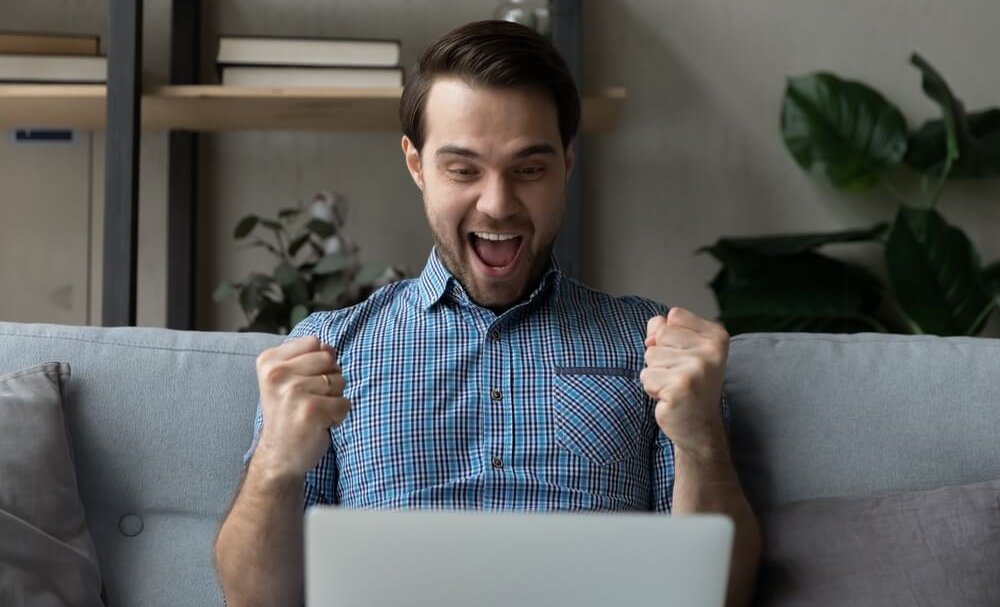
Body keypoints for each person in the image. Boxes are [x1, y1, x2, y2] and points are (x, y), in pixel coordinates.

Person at [214, 19, 761, 607]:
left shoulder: (654, 347)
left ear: (567, 164)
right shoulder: (328, 350)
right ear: (416, 164)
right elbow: (253, 601)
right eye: (463, 169)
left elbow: (720, 597)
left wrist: (702, 438)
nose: (497, 204)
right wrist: (274, 463)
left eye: (529, 169)